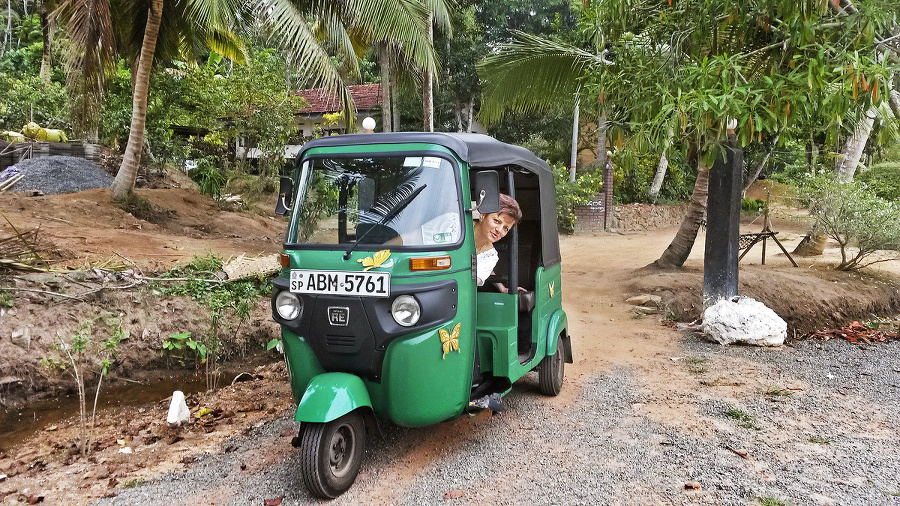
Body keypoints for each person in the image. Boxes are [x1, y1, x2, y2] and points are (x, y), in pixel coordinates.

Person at [474, 193, 523, 291]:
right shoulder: (454, 225)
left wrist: (503, 289)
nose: (499, 230)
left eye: (506, 228)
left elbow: (470, 284)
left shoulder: (490, 256)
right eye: (497, 221)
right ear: (482, 215)